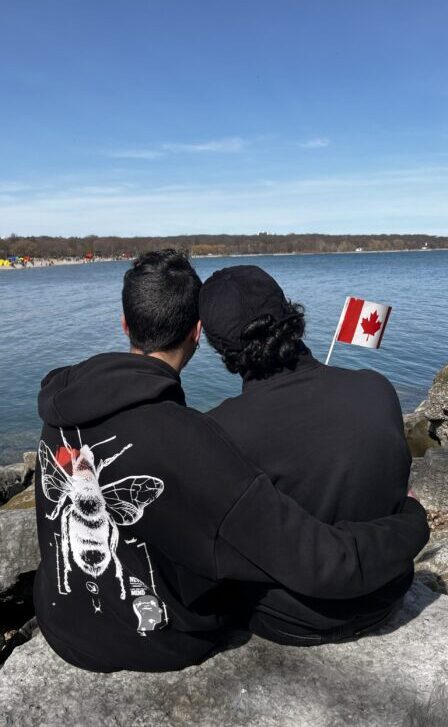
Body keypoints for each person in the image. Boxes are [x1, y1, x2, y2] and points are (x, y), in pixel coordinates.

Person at [34, 250, 428, 673]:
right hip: (159, 641)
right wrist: (411, 521)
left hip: (61, 619)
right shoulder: (198, 437)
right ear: (196, 333)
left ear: (125, 323)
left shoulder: (62, 407)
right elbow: (316, 559)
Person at [199, 264, 423, 646]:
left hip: (286, 617)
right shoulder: (377, 388)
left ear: (221, 349)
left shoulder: (218, 431)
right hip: (388, 595)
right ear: (289, 314)